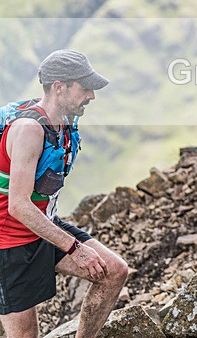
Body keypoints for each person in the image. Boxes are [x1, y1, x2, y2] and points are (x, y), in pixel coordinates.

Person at [0, 50, 129, 337]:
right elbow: (18, 206)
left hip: (42, 225)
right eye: (85, 88)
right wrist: (75, 248)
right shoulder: (29, 129)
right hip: (9, 245)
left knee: (114, 272)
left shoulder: (65, 122)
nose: (92, 96)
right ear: (59, 87)